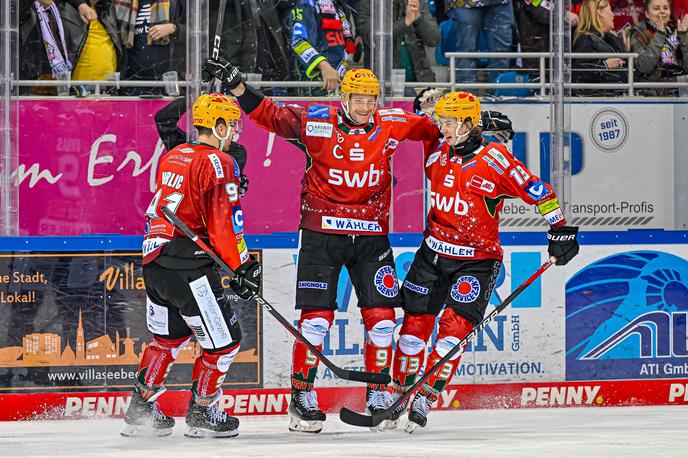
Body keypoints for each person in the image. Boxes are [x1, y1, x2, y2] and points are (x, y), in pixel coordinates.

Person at [202, 57, 515, 433]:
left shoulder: (393, 123)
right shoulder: (317, 121)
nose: (366, 106)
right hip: (322, 236)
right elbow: (270, 114)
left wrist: (476, 126)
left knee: (382, 322)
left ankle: (377, 394)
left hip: (371, 239)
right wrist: (238, 86)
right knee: (316, 322)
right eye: (358, 98)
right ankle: (301, 399)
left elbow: (442, 130)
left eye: (372, 98)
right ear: (343, 97)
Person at [390, 91, 579, 433]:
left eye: (448, 122)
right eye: (441, 121)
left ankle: (425, 397)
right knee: (413, 329)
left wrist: (560, 229)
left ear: (467, 124)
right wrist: (425, 108)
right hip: (431, 254)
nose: (441, 127)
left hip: (476, 262)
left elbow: (539, 191)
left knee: (452, 333)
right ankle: (398, 395)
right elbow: (419, 124)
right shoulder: (437, 151)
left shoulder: (496, 160)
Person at [121, 93, 261, 438]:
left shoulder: (175, 154)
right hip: (188, 266)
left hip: (155, 261)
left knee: (167, 339)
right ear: (218, 125)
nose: (237, 133)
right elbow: (223, 222)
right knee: (226, 342)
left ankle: (141, 408)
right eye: (232, 125)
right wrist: (242, 266)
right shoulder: (219, 162)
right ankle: (202, 411)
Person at [154, 96, 249, 197]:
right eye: (232, 125)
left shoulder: (177, 152)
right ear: (221, 128)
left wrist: (196, 99)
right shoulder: (234, 154)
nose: (234, 131)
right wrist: (193, 97)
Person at [357, 0, 440, 88]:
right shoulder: (369, 3)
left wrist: (419, 18)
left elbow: (434, 39)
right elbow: (372, 39)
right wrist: (405, 22)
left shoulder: (417, 2)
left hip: (421, 83)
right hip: (383, 86)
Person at [285, 0, 356, 95]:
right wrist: (324, 66)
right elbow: (297, 41)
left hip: (339, 83)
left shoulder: (340, 5)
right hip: (316, 84)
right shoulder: (306, 3)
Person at [628, 0, 688, 96]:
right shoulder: (638, 34)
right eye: (656, 8)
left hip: (681, 89)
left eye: (665, 8)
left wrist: (684, 36)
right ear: (647, 14)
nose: (662, 11)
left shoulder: (676, 30)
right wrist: (660, 34)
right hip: (652, 93)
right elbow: (644, 67)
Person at [572, 0, 630, 96]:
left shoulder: (609, 38)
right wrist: (605, 65)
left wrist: (625, 50)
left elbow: (626, 69)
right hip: (601, 99)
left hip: (618, 95)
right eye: (610, 10)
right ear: (600, 12)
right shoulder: (586, 39)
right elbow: (578, 74)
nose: (613, 15)